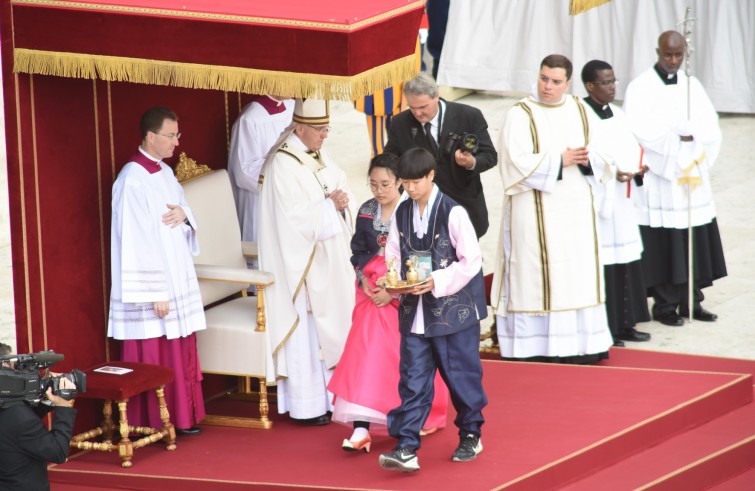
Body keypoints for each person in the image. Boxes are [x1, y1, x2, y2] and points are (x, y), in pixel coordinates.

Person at [490, 54, 613, 364]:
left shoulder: (581, 110)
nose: (547, 86)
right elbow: (512, 163)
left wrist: (589, 159)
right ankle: (535, 347)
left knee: (576, 275)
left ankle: (582, 345)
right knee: (536, 276)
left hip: (575, 212)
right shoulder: (520, 114)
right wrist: (559, 160)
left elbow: (603, 154)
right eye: (544, 78)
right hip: (534, 211)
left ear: (568, 83)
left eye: (556, 82)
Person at [328, 153, 449, 453]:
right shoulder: (368, 211)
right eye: (373, 184)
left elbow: (423, 256)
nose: (378, 190)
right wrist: (364, 280)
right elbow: (358, 251)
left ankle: (412, 413)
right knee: (363, 351)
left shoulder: (412, 212)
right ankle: (361, 425)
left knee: (407, 359)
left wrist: (394, 292)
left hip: (406, 293)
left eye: (385, 184)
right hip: (371, 294)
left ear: (400, 182)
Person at [378, 148, 488, 473]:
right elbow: (394, 253)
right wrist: (395, 278)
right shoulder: (401, 212)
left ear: (431, 176)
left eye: (416, 181)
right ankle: (407, 446)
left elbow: (473, 260)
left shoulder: (453, 212)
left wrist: (437, 280)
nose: (410, 189)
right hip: (414, 310)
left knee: (461, 377)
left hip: (454, 312)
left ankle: (471, 433)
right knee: (412, 379)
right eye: (405, 183)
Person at [107, 106, 206, 436]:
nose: (177, 142)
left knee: (179, 348)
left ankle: (184, 416)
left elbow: (181, 207)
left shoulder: (164, 171)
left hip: (175, 275)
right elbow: (133, 241)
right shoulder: (131, 181)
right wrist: (155, 293)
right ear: (151, 137)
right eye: (171, 135)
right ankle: (154, 421)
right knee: (157, 353)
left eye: (177, 135)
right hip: (155, 290)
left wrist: (184, 213)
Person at [258, 98, 356, 426]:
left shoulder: (315, 152)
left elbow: (338, 180)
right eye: (319, 130)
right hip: (299, 265)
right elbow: (292, 219)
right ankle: (307, 405)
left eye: (327, 128)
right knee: (308, 334)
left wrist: (341, 200)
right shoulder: (282, 164)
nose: (325, 136)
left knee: (331, 329)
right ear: (300, 127)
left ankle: (332, 398)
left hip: (327, 259)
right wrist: (328, 205)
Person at [623, 31, 727, 326]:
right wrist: (674, 138)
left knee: (691, 235)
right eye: (667, 54)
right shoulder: (641, 87)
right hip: (662, 176)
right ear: (657, 51)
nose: (672, 61)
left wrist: (695, 137)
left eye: (678, 55)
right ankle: (665, 305)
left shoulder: (692, 85)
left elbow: (711, 125)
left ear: (685, 54)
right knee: (666, 240)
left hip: (690, 173)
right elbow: (637, 127)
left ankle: (692, 301)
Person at [581, 60, 652, 346]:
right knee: (606, 266)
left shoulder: (618, 113)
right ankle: (607, 328)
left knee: (626, 263)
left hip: (623, 200)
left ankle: (625, 323)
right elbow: (585, 157)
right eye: (606, 82)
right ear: (589, 85)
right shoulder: (581, 114)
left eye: (613, 82)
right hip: (601, 202)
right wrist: (611, 172)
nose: (612, 88)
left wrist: (639, 166)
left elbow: (632, 146)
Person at [383, 73, 497, 238]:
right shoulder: (400, 123)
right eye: (412, 107)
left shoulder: (469, 116)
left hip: (463, 205)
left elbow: (490, 155)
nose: (417, 113)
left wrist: (471, 162)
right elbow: (390, 161)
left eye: (423, 107)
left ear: (437, 96)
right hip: (419, 212)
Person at [0, 343, 78, 491]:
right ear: (4, 365)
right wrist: (63, 407)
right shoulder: (21, 419)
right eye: (14, 365)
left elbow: (15, 427)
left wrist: (47, 399)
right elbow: (58, 453)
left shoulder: (14, 412)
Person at [228, 95, 294, 255]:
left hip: (290, 195)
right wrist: (283, 176)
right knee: (266, 257)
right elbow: (244, 171)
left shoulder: (292, 106)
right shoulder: (250, 119)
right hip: (261, 199)